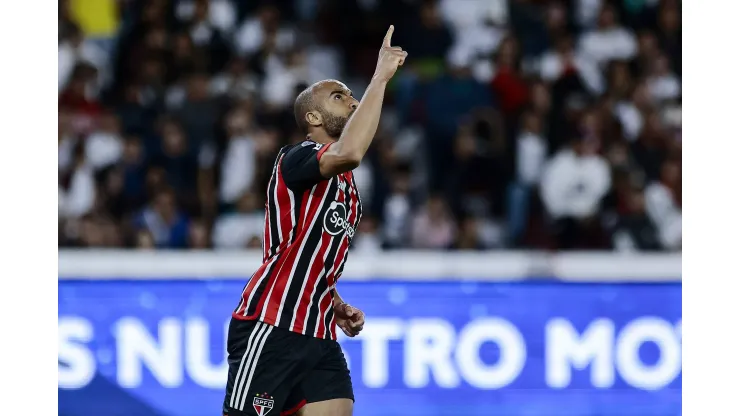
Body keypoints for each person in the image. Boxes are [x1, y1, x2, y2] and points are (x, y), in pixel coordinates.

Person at [223, 26, 408, 416]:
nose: (354, 102)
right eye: (340, 97)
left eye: (353, 95)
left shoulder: (348, 188)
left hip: (319, 330)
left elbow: (312, 256)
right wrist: (379, 78)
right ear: (313, 116)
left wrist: (335, 303)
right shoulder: (297, 157)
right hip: (272, 323)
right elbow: (352, 150)